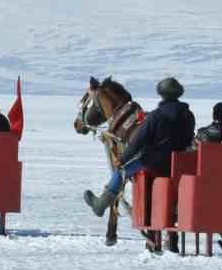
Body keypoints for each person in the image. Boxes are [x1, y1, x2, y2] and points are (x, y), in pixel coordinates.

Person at [83, 76, 195, 217]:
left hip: (155, 163)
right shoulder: (188, 115)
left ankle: (101, 205)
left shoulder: (155, 116)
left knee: (120, 172)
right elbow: (189, 138)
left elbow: (138, 141)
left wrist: (122, 159)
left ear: (161, 93)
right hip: (179, 164)